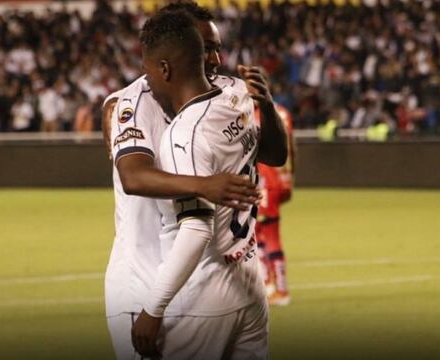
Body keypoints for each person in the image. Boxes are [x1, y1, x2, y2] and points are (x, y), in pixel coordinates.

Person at [102, 3, 287, 359]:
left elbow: (273, 155)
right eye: (205, 49)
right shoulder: (132, 104)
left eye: (216, 48)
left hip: (208, 282)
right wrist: (204, 185)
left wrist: (266, 106)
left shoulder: (224, 98)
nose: (215, 59)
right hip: (143, 283)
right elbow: (133, 175)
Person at [255, 103, 296, 306]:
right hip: (276, 180)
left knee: (266, 234)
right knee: (257, 232)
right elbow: (291, 148)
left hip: (264, 181)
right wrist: (289, 178)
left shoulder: (254, 113)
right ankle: (268, 283)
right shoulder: (282, 112)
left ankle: (279, 288)